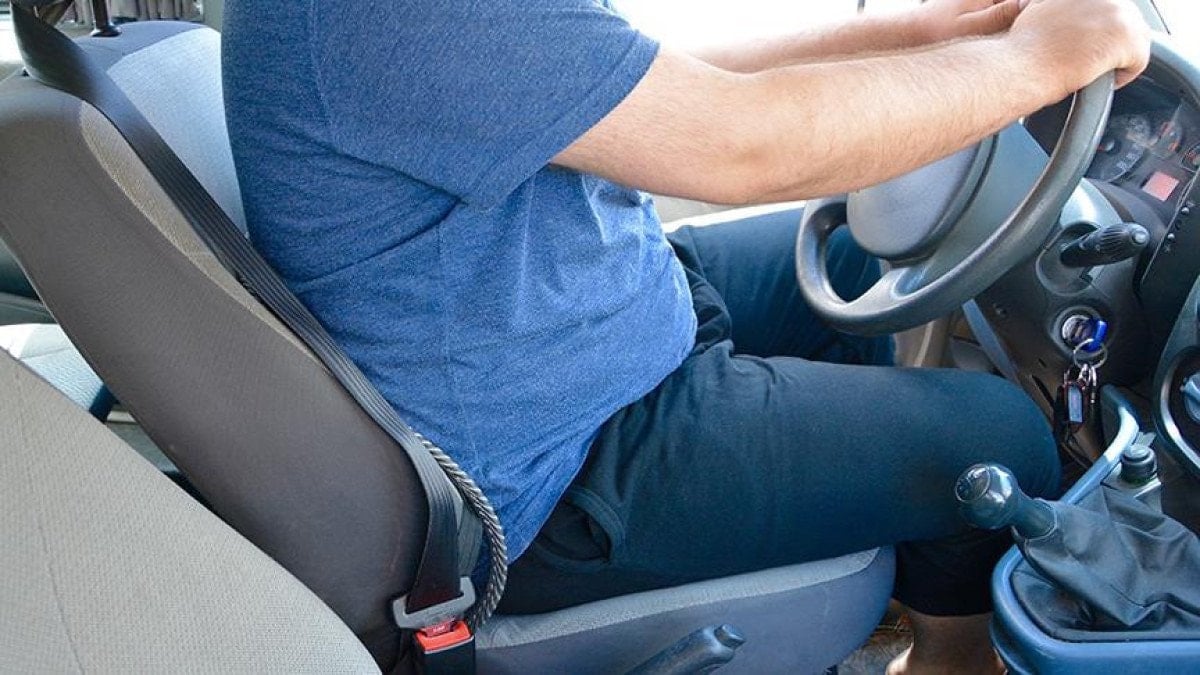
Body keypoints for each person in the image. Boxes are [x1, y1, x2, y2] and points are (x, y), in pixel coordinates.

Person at [222, 0, 1151, 671]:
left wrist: (930, 33)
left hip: (589, 314)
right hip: (557, 468)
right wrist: (1042, 59)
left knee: (857, 264)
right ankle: (950, 658)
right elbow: (743, 143)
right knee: (1000, 436)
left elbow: (659, 79)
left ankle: (883, 555)